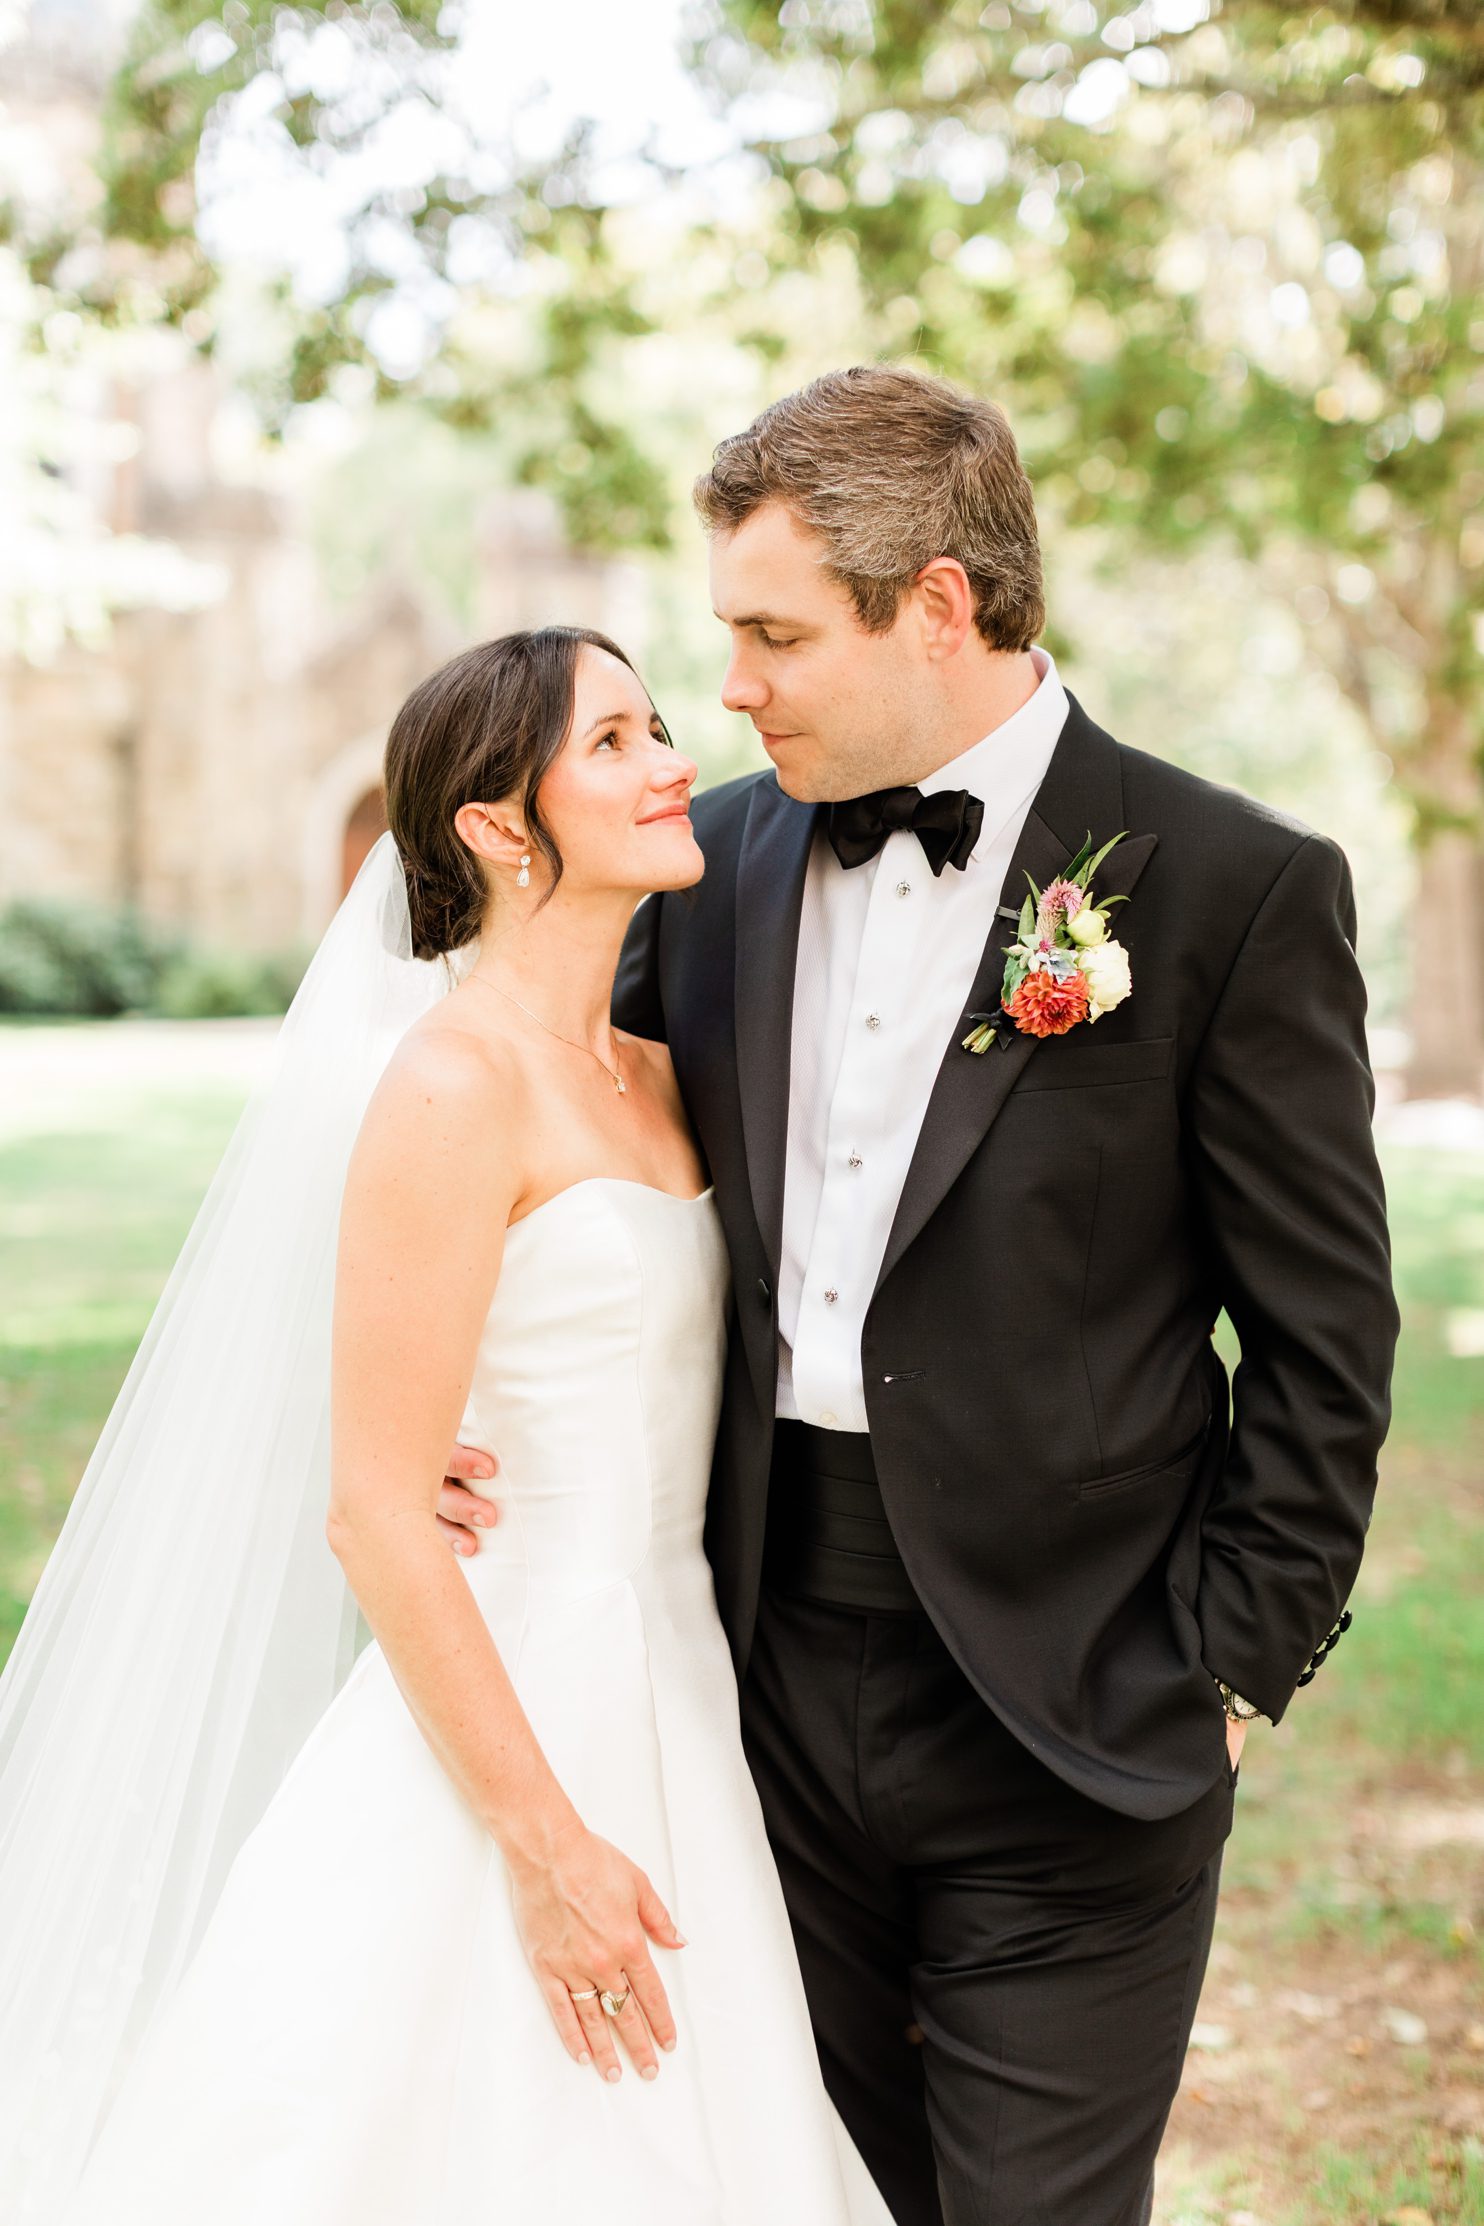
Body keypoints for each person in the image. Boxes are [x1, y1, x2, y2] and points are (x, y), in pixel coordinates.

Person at [437, 367, 1402, 2226]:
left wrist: (1228, 1672)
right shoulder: (701, 872)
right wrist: (465, 1416)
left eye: (775, 633)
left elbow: (1325, 1340)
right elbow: (551, 1161)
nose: (732, 686)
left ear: (938, 607)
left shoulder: (1232, 887)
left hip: (1088, 1702)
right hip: (758, 1684)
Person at [0, 626, 892, 2226]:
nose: (674, 758)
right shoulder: (449, 1087)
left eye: (659, 724)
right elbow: (374, 1506)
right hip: (521, 1706)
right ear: (497, 823)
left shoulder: (659, 1072)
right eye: (615, 741)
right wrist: (547, 1850)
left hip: (687, 1681)